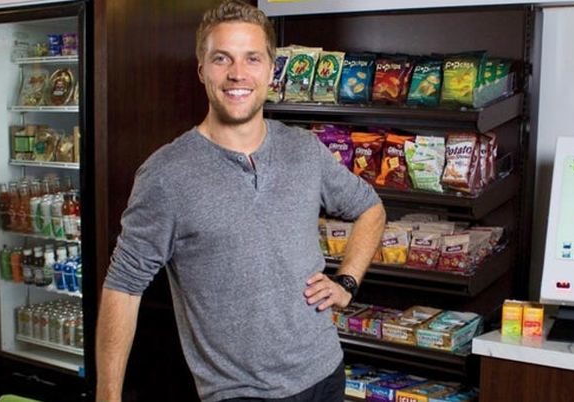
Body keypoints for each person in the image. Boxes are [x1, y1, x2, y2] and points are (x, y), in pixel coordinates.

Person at [95, 1, 386, 401]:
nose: (237, 74)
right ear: (201, 70)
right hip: (238, 393)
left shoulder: (304, 149)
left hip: (325, 373)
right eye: (221, 59)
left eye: (252, 58)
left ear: (270, 70)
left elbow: (370, 207)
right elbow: (123, 289)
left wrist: (347, 281)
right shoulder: (166, 174)